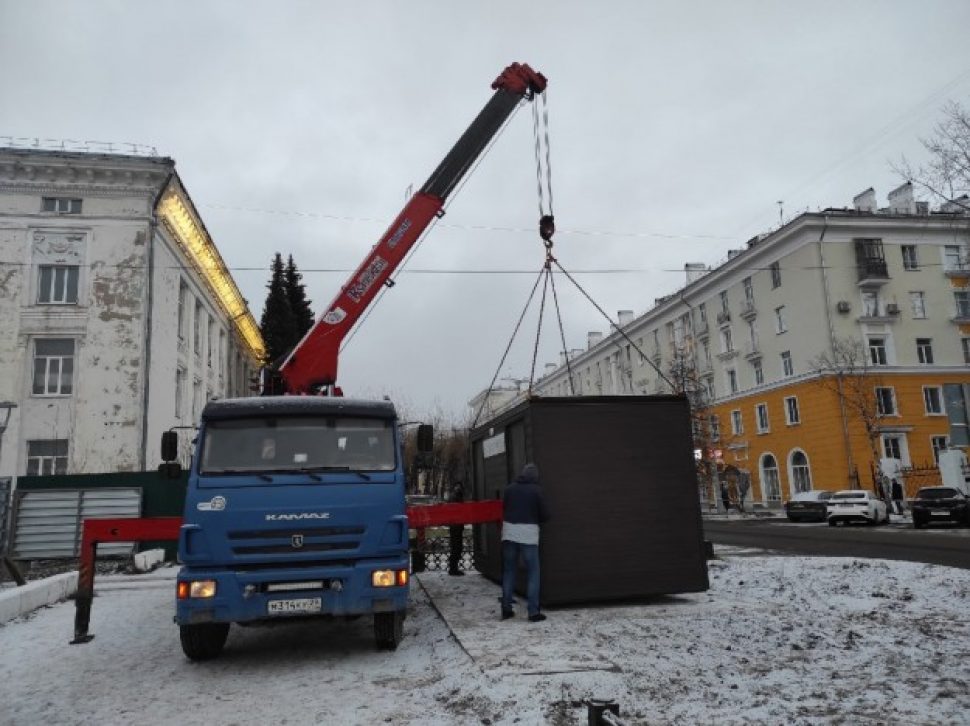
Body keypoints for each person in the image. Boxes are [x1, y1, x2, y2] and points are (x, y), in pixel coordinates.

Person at [501, 463, 550, 623]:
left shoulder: (509, 489)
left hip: (509, 532)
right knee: (533, 573)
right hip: (528, 534)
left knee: (509, 571)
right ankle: (533, 612)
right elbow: (544, 514)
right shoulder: (536, 490)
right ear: (535, 477)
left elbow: (505, 508)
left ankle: (506, 609)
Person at [447, 481, 465, 576]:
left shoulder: (457, 495)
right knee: (456, 548)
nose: (459, 488)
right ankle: (453, 569)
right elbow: (455, 510)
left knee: (457, 547)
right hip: (455, 526)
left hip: (457, 526)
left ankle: (453, 568)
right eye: (457, 486)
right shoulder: (455, 496)